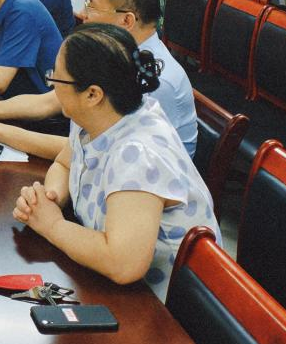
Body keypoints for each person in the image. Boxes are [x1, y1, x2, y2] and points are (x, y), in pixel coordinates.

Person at [12, 24, 219, 301]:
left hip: (165, 305)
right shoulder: (99, 116)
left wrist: (52, 225)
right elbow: (64, 164)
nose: (52, 84)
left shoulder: (137, 154)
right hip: (111, 282)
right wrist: (50, 199)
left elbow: (124, 265)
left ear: (93, 94)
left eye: (57, 79)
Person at [0, 0, 198, 159]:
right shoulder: (112, 51)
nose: (82, 13)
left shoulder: (153, 78)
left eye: (91, 5)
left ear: (126, 20)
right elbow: (51, 101)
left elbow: (91, 152)